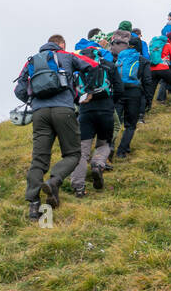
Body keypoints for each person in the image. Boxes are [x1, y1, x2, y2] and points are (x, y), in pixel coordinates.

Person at [13, 34, 96, 220]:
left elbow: (18, 89)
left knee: (39, 160)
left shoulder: (31, 61)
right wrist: (84, 91)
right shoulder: (67, 56)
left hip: (39, 114)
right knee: (73, 154)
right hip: (64, 110)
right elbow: (93, 67)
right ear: (62, 45)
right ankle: (54, 181)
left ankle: (34, 206)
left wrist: (33, 101)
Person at [69, 43, 121, 197]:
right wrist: (111, 103)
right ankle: (98, 164)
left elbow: (73, 91)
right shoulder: (109, 66)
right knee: (104, 143)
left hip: (85, 112)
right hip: (106, 110)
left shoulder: (78, 69)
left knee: (82, 150)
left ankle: (78, 186)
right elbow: (119, 88)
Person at [110, 31, 146, 157]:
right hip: (134, 93)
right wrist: (147, 98)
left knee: (115, 123)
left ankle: (109, 148)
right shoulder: (142, 60)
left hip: (119, 91)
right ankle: (121, 151)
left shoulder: (120, 56)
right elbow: (147, 81)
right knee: (130, 125)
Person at [149, 26, 171, 108]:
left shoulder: (155, 45)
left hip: (152, 69)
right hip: (163, 69)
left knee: (151, 90)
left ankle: (145, 109)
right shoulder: (169, 45)